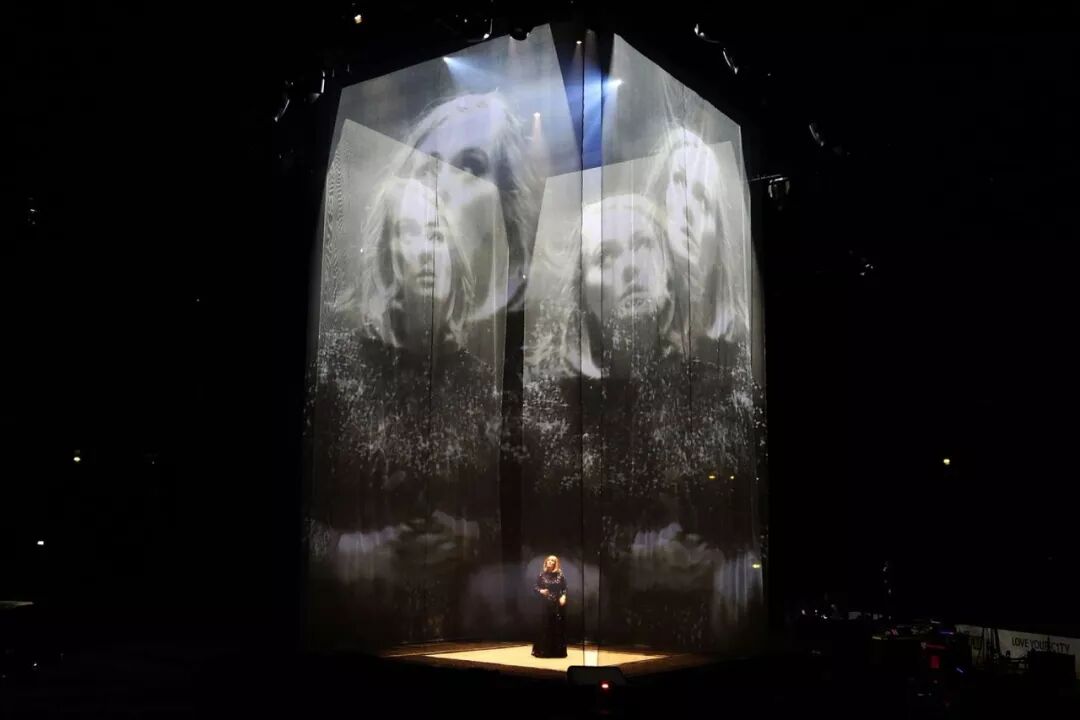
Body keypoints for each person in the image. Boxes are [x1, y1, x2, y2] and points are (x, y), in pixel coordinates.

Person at [309, 175, 501, 645]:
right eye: (409, 233)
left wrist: (472, 538)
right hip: (349, 636)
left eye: (436, 234)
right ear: (385, 255)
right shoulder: (337, 369)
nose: (427, 251)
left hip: (463, 635)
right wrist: (344, 551)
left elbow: (519, 515)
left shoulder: (480, 384)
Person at [532, 555, 568, 658]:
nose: (550, 561)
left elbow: (564, 588)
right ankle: (543, 651)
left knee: (556, 626)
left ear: (555, 564)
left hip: (556, 603)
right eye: (548, 560)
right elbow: (535, 587)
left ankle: (557, 652)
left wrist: (563, 596)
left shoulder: (560, 575)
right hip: (544, 604)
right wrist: (541, 591)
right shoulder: (541, 575)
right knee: (544, 626)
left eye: (552, 560)